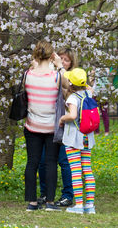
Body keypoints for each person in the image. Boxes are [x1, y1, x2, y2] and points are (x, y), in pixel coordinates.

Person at [23, 40, 61, 211]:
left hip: (32, 125)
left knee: (32, 162)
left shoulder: (28, 75)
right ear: (52, 55)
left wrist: (33, 66)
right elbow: (68, 86)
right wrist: (60, 66)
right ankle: (50, 202)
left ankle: (32, 202)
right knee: (51, 163)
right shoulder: (56, 76)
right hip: (51, 126)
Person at [38, 47, 75, 208]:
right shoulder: (49, 74)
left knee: (64, 161)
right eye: (60, 58)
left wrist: (60, 68)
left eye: (66, 60)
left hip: (65, 126)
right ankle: (45, 193)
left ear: (71, 63)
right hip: (47, 123)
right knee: (43, 160)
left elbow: (69, 88)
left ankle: (67, 195)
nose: (63, 62)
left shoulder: (72, 77)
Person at [58, 68, 97, 214]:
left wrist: (62, 118)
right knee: (87, 169)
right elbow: (89, 88)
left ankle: (79, 205)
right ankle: (90, 205)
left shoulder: (72, 98)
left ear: (70, 83)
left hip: (74, 139)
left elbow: (73, 115)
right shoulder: (88, 93)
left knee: (75, 171)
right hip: (87, 137)